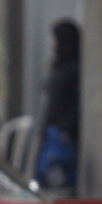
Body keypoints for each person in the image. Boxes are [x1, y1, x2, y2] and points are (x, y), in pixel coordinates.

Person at [33, 19, 81, 192]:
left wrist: (64, 126)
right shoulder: (58, 65)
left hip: (62, 135)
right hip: (53, 131)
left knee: (58, 177)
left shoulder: (72, 69)